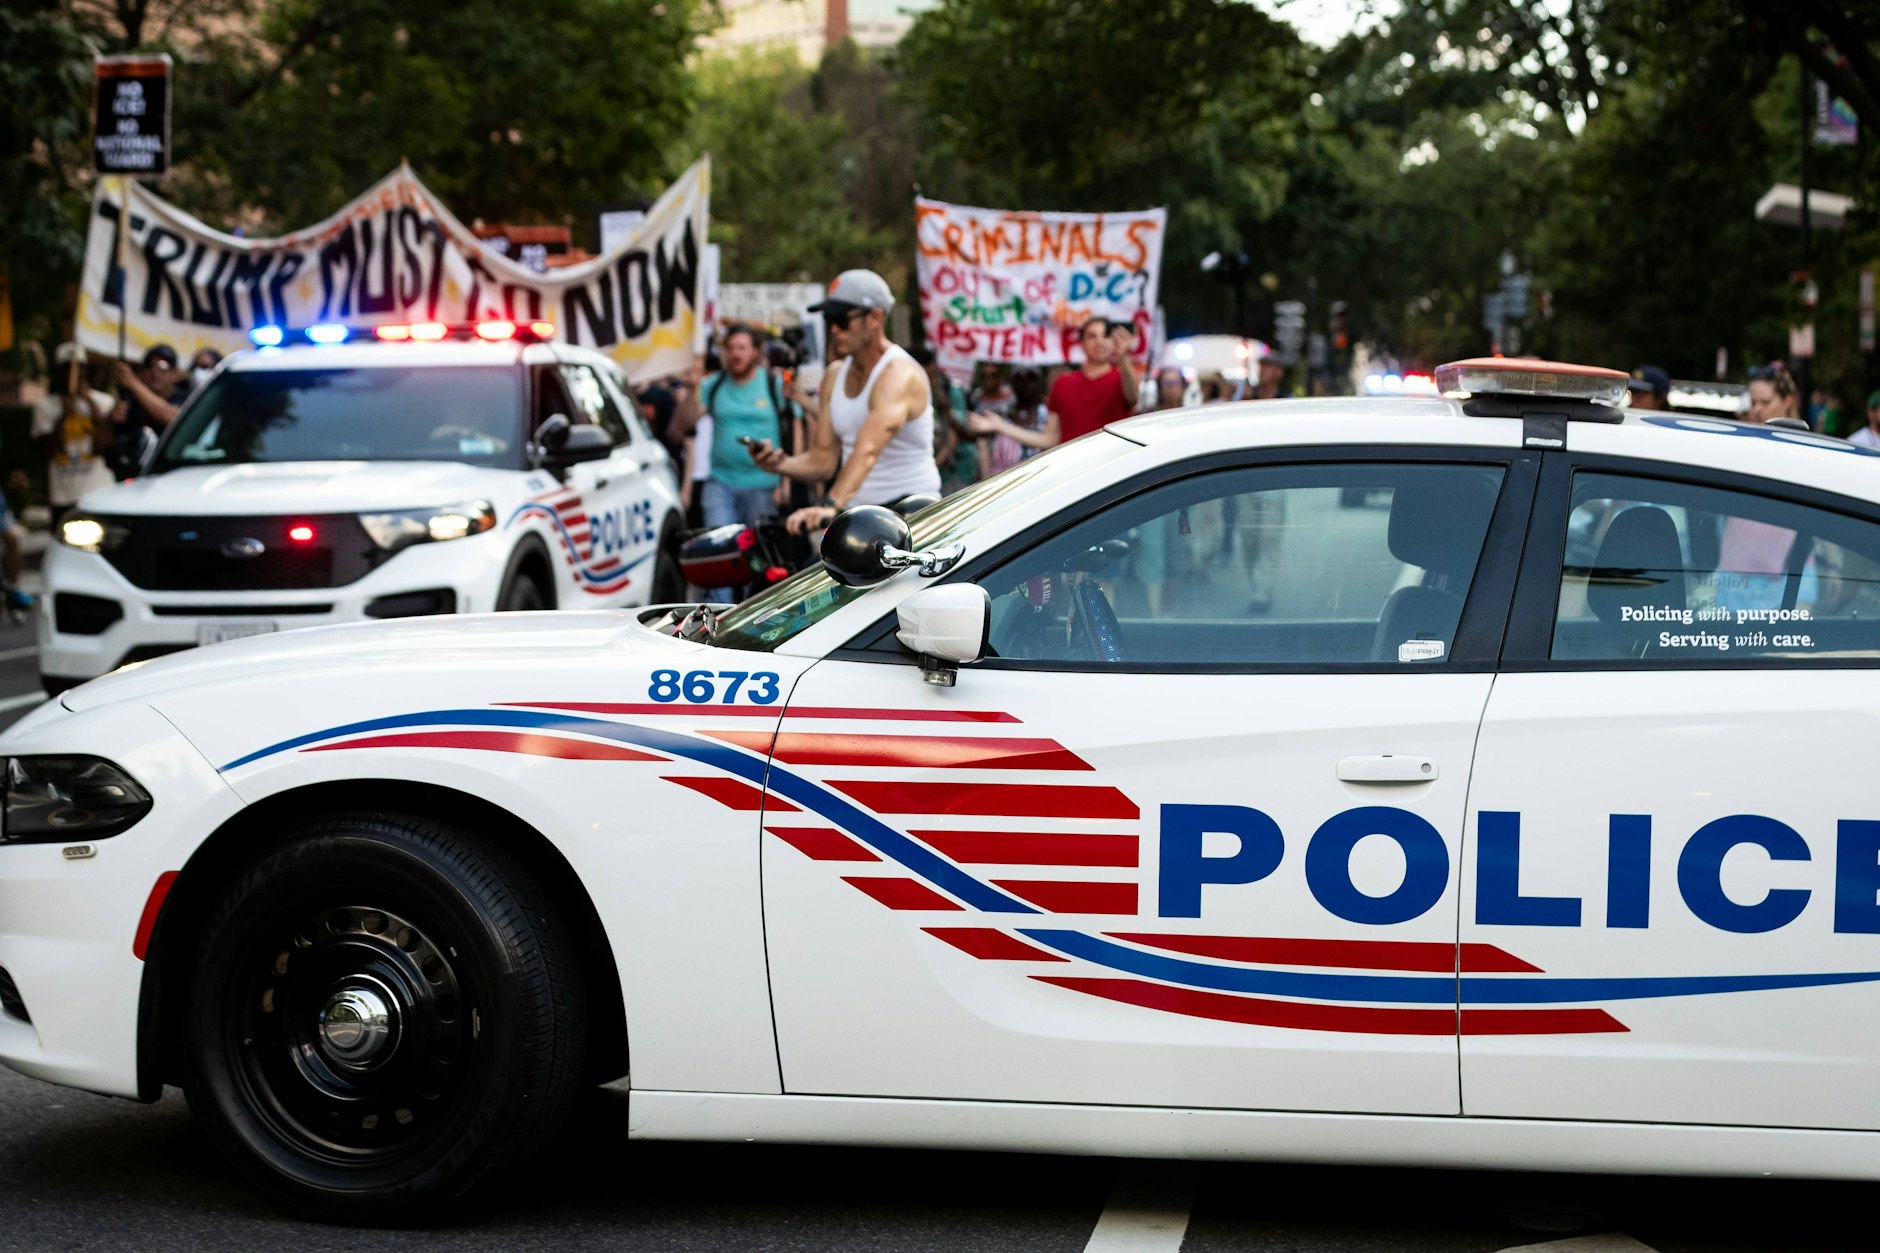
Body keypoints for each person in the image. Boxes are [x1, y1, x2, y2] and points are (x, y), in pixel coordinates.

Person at [748, 269, 939, 534]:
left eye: (841, 320)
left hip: (913, 511)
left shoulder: (899, 373)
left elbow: (868, 448)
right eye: (829, 320)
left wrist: (830, 504)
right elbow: (824, 460)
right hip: (862, 514)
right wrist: (780, 463)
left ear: (875, 318)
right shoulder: (835, 374)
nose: (834, 330)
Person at [674, 325, 792, 532]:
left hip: (763, 485)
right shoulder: (714, 384)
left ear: (755, 351)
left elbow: (792, 431)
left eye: (741, 348)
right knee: (721, 549)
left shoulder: (773, 384)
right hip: (720, 483)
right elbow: (685, 422)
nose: (735, 354)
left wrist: (786, 482)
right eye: (730, 348)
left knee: (758, 553)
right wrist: (692, 390)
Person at [32, 343, 118, 528]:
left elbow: (105, 447)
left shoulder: (104, 401)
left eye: (79, 369)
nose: (73, 374)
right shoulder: (45, 407)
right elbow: (46, 451)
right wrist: (63, 417)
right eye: (67, 369)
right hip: (63, 496)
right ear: (57, 371)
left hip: (99, 493)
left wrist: (91, 405)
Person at [1048, 317, 1140, 441]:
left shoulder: (1122, 377)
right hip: (1071, 459)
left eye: (1105, 336)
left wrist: (1124, 357)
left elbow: (1133, 397)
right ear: (1082, 343)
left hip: (1113, 458)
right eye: (1092, 336)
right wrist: (1012, 430)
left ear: (1114, 342)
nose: (1099, 341)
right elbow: (1051, 438)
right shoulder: (1062, 382)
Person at [109, 344, 188, 479]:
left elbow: (173, 418)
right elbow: (100, 445)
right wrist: (110, 421)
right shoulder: (131, 401)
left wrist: (132, 382)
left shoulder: (184, 397)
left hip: (170, 478)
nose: (155, 372)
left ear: (175, 374)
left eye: (162, 367)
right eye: (150, 366)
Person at [915, 348, 976, 494]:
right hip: (934, 470)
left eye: (931, 375)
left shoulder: (951, 391)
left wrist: (947, 411)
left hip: (958, 470)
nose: (930, 381)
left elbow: (955, 437)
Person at [978, 368, 1050, 478]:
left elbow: (1049, 444)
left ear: (1040, 382)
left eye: (1030, 378)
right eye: (1019, 379)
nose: (1025, 384)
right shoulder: (1004, 414)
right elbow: (985, 451)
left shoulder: (1047, 417)